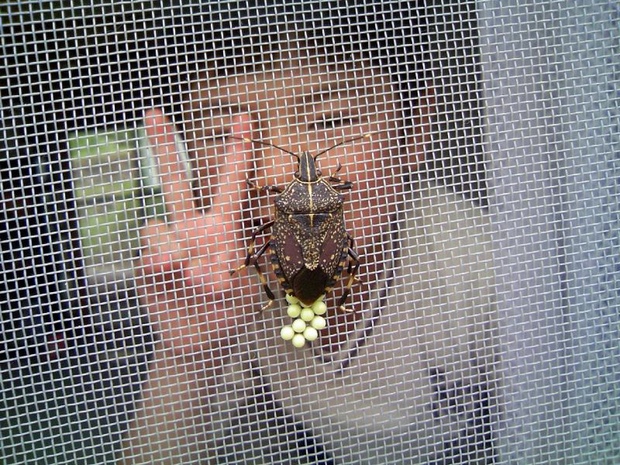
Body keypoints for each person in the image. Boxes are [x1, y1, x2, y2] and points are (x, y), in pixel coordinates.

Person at [119, 31, 498, 464]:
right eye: (224, 135)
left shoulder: (479, 270)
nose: (277, 173)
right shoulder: (235, 280)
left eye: (331, 120)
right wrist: (188, 358)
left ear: (414, 132)